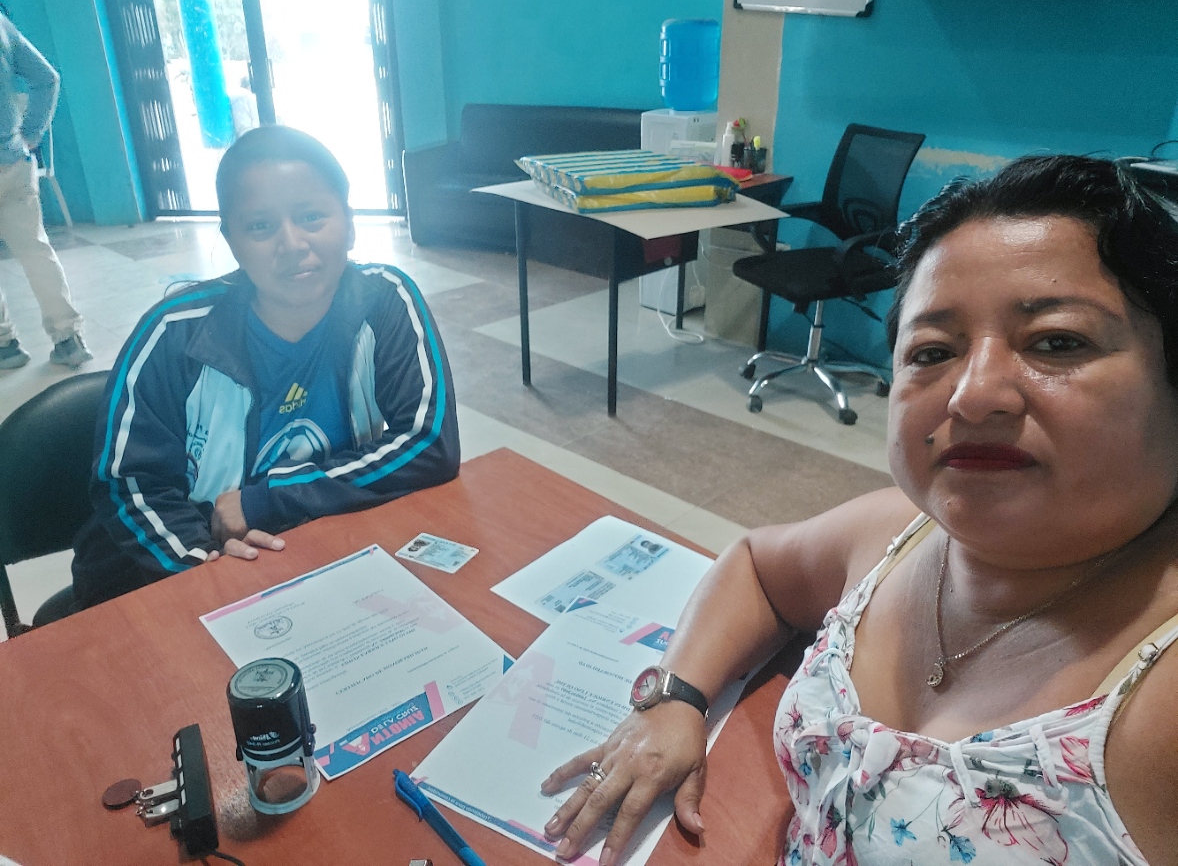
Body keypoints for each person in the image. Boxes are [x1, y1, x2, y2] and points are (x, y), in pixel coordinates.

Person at [541, 155, 1178, 866]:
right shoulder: (896, 535)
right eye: (932, 350)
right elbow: (754, 565)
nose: (972, 395)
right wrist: (674, 698)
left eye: (1057, 341)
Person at [70, 125, 459, 610]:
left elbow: (428, 444)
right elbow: (130, 486)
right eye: (260, 226)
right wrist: (210, 567)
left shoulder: (382, 301)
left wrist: (268, 499)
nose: (292, 244)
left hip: (310, 550)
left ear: (349, 223)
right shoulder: (174, 334)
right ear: (231, 241)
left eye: (311, 217)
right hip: (162, 574)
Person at [0, 10, 91, 369]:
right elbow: (47, 78)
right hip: (12, 160)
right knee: (36, 250)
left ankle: (5, 346)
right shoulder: (2, 24)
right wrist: (31, 133)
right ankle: (68, 338)